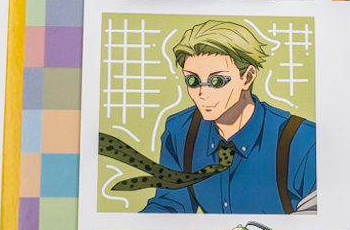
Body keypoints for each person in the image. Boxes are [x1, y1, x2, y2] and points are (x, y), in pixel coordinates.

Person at [97, 20, 316, 214]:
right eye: (193, 81)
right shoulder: (181, 130)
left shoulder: (303, 140)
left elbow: (317, 218)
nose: (202, 93)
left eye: (217, 81)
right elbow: (172, 205)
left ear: (247, 77)